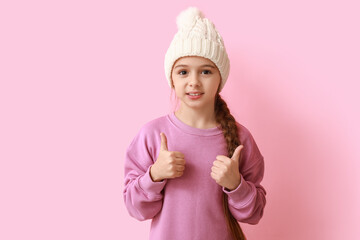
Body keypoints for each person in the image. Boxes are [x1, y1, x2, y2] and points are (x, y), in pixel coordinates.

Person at [123, 6, 266, 240]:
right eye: (183, 72)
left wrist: (236, 184)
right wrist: (155, 175)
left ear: (221, 77)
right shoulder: (151, 134)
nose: (194, 82)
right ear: (171, 78)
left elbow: (254, 213)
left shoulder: (241, 139)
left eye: (206, 72)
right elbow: (135, 208)